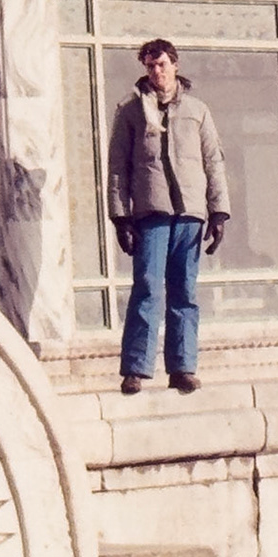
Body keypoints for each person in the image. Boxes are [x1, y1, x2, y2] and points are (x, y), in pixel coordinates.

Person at [106, 39, 230, 395]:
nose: (156, 72)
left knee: (185, 292)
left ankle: (183, 367)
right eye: (149, 66)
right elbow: (118, 168)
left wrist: (218, 212)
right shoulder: (129, 111)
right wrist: (121, 217)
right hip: (152, 213)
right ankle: (136, 368)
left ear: (174, 64)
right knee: (146, 287)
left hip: (190, 215)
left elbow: (213, 162)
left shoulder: (197, 111)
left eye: (161, 64)